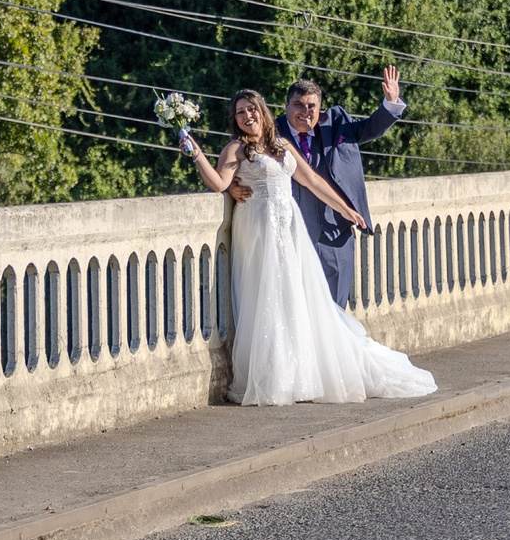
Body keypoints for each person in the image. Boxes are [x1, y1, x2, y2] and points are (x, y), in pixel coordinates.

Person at [180, 89, 436, 406]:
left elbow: (312, 181)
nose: (248, 116)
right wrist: (196, 153)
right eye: (241, 112)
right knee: (267, 298)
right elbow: (219, 183)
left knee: (296, 297)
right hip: (259, 229)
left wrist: (345, 208)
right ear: (235, 119)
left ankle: (301, 372)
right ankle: (276, 377)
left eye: (252, 109)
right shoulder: (235, 148)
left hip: (289, 228)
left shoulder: (281, 145)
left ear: (263, 111)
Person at [231, 67, 402, 309]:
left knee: (336, 310)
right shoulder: (269, 132)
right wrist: (231, 187)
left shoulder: (337, 123)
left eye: (312, 106)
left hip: (336, 233)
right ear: (286, 106)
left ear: (320, 108)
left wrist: (391, 103)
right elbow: (238, 162)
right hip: (291, 235)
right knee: (297, 309)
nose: (305, 112)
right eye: (298, 105)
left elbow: (369, 128)